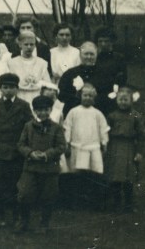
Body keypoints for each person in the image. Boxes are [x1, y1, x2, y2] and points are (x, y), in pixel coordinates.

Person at [0, 72, 32, 228]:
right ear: (0, 88)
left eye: (11, 87)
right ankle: (0, 214)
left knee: (17, 184)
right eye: (5, 87)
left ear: (17, 89)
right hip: (0, 151)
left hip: (17, 151)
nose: (8, 90)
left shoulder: (24, 105)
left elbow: (29, 125)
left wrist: (23, 143)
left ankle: (17, 215)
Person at [16, 95, 66, 233]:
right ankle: (23, 221)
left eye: (46, 110)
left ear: (50, 110)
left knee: (48, 196)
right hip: (31, 168)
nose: (42, 113)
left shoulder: (56, 128)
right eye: (39, 110)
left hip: (49, 169)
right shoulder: (28, 126)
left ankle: (44, 223)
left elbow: (62, 146)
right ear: (34, 111)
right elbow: (21, 144)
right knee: (25, 194)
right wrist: (30, 153)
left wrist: (47, 154)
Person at [64, 83, 109, 211]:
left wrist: (104, 143)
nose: (87, 98)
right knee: (78, 174)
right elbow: (67, 128)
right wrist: (67, 143)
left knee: (95, 174)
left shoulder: (97, 114)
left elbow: (103, 130)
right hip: (77, 147)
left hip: (94, 148)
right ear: (80, 96)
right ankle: (76, 201)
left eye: (90, 96)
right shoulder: (74, 112)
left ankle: (94, 202)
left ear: (94, 98)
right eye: (85, 95)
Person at [105, 86, 144, 213]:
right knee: (115, 177)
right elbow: (105, 133)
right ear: (116, 100)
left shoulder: (136, 116)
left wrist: (139, 152)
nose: (123, 102)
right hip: (115, 147)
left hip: (129, 148)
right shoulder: (112, 116)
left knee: (128, 178)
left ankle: (128, 204)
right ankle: (116, 203)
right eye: (120, 99)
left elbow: (141, 136)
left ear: (131, 100)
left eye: (126, 100)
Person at [8, 32, 51, 103]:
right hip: (19, 95)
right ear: (20, 45)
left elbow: (47, 82)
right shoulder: (12, 62)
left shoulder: (42, 63)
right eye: (26, 44)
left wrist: (36, 82)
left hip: (37, 95)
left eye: (31, 44)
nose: (29, 47)